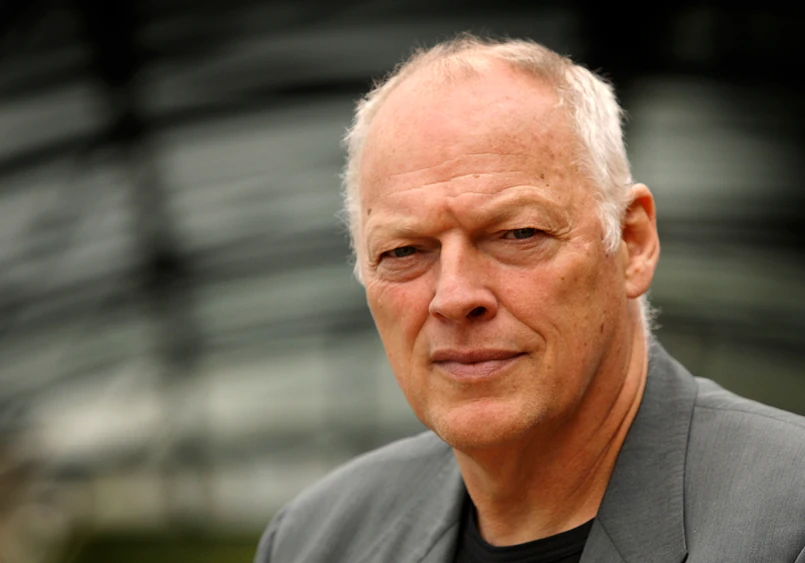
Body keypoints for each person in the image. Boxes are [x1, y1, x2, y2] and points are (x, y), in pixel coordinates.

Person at [254, 34, 805, 562]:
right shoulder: (314, 540)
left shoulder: (788, 520)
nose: (454, 296)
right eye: (403, 251)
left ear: (631, 244)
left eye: (518, 234)